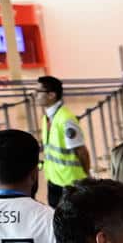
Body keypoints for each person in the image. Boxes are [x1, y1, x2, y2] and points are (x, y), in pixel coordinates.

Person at [37, 75, 90, 208]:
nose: (35, 95)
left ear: (51, 95)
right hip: (53, 179)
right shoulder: (47, 118)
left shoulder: (66, 119)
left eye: (39, 92)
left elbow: (81, 151)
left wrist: (86, 176)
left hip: (69, 183)